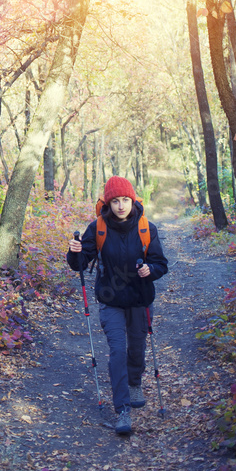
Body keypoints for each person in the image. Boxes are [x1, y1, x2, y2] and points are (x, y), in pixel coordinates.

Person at [67, 175, 168, 435]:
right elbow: (80, 264)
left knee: (137, 346)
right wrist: (75, 251)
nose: (121, 206)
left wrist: (150, 270)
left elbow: (161, 264)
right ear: (107, 203)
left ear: (132, 200)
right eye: (115, 201)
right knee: (117, 351)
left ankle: (135, 382)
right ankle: (122, 408)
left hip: (140, 298)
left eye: (125, 200)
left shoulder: (147, 227)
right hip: (110, 301)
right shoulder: (98, 228)